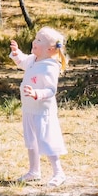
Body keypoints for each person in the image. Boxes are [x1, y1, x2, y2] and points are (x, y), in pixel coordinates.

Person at [9, 27, 69, 186]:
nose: (34, 42)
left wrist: (37, 93)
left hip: (43, 112)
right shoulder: (33, 59)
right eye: (35, 38)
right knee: (31, 141)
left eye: (39, 40)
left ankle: (58, 172)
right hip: (29, 109)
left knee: (47, 140)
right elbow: (22, 62)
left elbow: (51, 90)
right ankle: (34, 171)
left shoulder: (50, 66)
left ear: (50, 49)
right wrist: (16, 54)